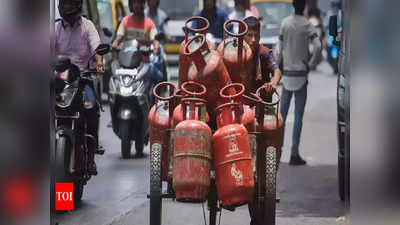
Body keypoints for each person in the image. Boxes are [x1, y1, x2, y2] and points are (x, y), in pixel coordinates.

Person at [55, 0, 105, 175]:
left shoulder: (87, 26)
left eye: (70, 3)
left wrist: (99, 62)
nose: (67, 6)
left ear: (77, 4)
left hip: (83, 79)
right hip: (60, 82)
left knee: (91, 107)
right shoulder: (54, 28)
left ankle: (90, 154)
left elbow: (97, 47)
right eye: (64, 3)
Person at [242, 16, 281, 225]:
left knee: (278, 123)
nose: (253, 39)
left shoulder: (264, 53)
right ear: (243, 34)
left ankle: (274, 160)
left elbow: (277, 71)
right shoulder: (235, 54)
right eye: (249, 35)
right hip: (242, 114)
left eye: (256, 35)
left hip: (262, 110)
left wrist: (273, 83)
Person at [278, 0, 321, 165]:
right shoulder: (307, 25)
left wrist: (279, 66)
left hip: (287, 74)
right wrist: (310, 64)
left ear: (293, 6)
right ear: (304, 7)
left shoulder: (285, 24)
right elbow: (317, 46)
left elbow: (278, 48)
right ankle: (294, 153)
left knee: (281, 116)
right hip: (301, 75)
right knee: (298, 116)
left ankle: (278, 150)